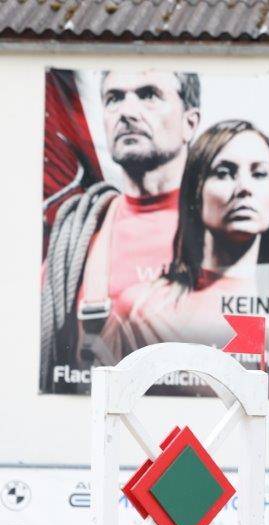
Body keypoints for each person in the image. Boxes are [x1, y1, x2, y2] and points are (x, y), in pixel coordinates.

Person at [40, 70, 201, 388]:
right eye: (114, 99)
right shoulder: (76, 238)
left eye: (149, 95)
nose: (127, 112)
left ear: (190, 122)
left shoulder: (233, 231)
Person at [117, 120, 269, 386]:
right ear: (196, 190)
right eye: (224, 173)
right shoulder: (139, 309)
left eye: (259, 174)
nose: (244, 188)